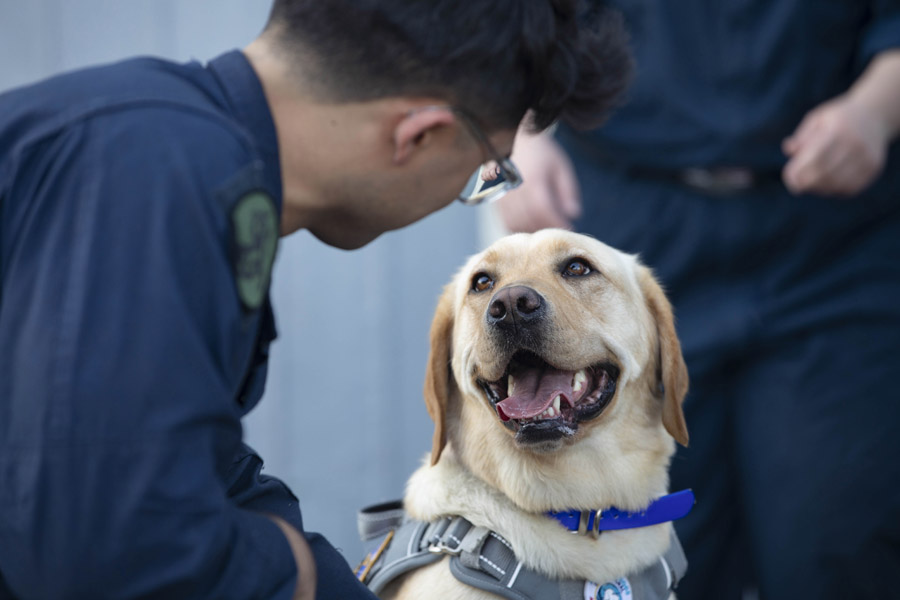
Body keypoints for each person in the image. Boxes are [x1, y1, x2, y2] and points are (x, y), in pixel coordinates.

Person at [0, 1, 633, 598]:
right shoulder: (150, 184)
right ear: (419, 137)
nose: (463, 192)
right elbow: (97, 545)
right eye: (483, 172)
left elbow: (192, 469)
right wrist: (290, 565)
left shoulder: (166, 151)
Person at [496, 2, 900, 598]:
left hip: (831, 239)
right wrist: (520, 135)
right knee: (649, 554)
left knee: (833, 543)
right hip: (632, 238)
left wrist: (874, 109)